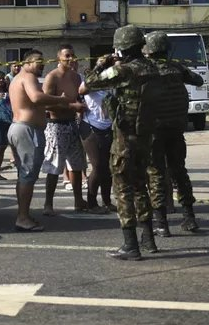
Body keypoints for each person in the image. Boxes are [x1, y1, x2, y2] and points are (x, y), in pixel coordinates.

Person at [83, 25, 160, 260]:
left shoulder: (124, 71)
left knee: (124, 189)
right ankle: (148, 239)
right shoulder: (153, 69)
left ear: (122, 47)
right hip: (146, 136)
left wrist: (101, 64)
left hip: (125, 139)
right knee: (140, 187)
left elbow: (91, 82)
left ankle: (130, 245)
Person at [143, 31, 205, 237]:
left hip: (154, 131)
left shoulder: (144, 70)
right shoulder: (177, 68)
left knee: (156, 174)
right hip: (176, 129)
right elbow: (197, 80)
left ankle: (161, 222)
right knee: (179, 172)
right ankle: (189, 218)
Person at [7, 49, 74, 232]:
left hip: (19, 128)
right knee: (28, 175)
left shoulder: (18, 79)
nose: (42, 64)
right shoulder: (28, 77)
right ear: (26, 63)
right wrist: (60, 100)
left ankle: (24, 214)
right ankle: (22, 218)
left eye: (43, 61)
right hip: (27, 130)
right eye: (38, 61)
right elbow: (36, 97)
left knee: (24, 175)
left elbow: (35, 101)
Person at [41, 45, 88, 215]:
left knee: (77, 165)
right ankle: (48, 204)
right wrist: (68, 104)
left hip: (72, 124)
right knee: (54, 167)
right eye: (67, 55)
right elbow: (45, 103)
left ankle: (78, 201)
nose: (70, 58)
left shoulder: (76, 77)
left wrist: (80, 106)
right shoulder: (52, 77)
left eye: (72, 55)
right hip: (56, 126)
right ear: (59, 57)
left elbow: (80, 97)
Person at [79, 79, 115, 213]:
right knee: (98, 166)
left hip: (108, 127)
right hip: (90, 126)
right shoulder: (91, 81)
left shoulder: (114, 79)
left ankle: (107, 202)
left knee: (107, 167)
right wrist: (99, 68)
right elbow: (82, 90)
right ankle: (92, 203)